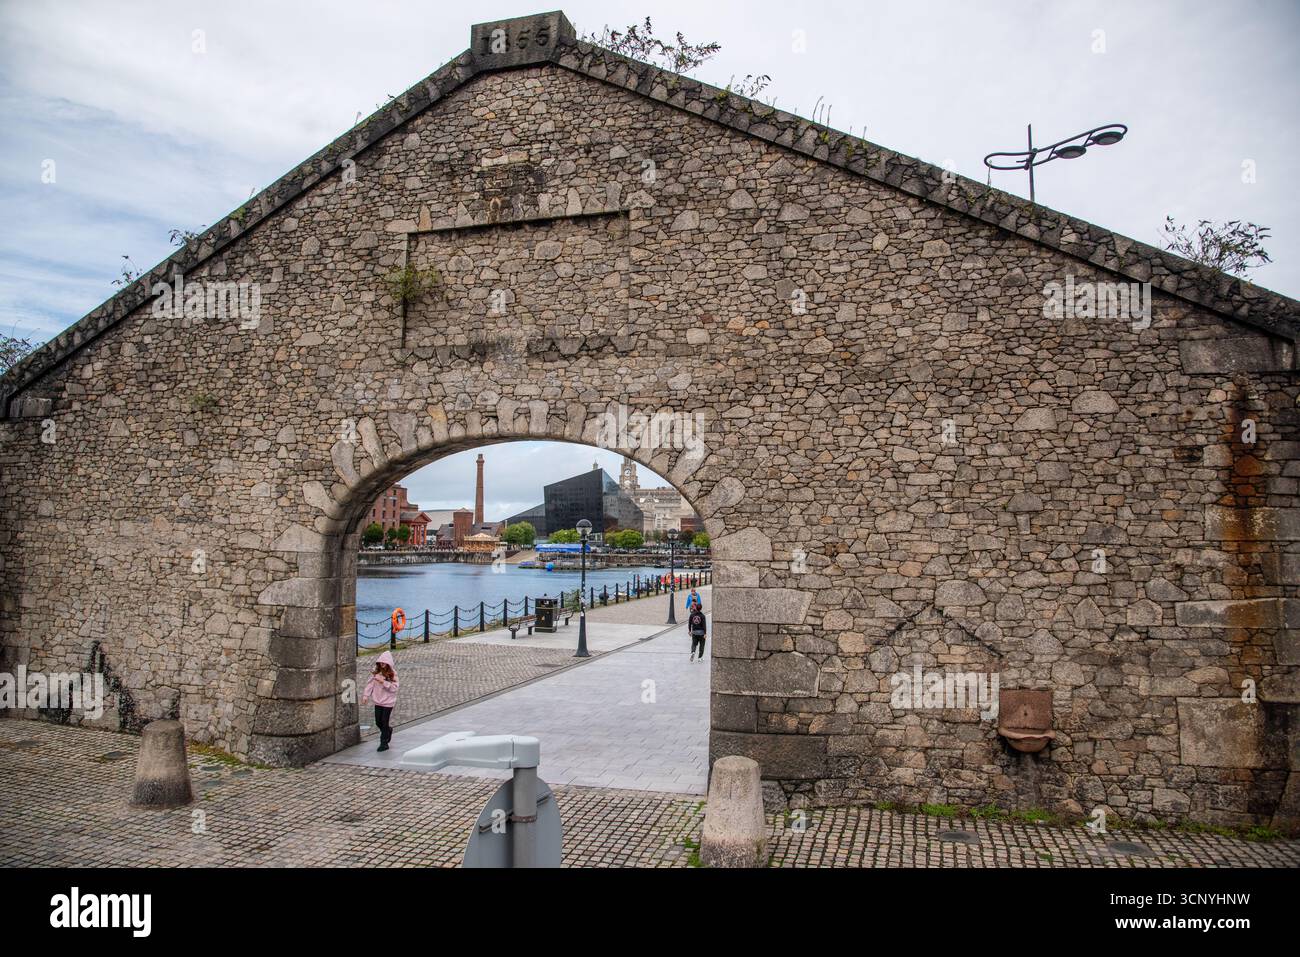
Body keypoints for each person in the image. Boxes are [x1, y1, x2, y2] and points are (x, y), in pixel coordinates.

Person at [361, 651, 400, 752]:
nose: (382, 664)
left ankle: (384, 743)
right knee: (378, 722)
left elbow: (394, 688)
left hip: (388, 702)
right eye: (381, 662)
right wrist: (366, 696)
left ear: (388, 663)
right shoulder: (376, 673)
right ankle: (388, 730)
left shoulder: (393, 674)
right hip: (378, 701)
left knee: (384, 721)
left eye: (384, 662)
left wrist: (384, 682)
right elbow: (370, 685)